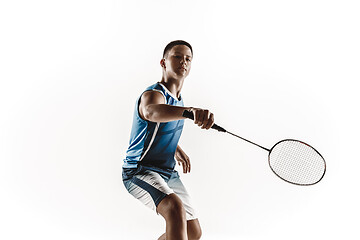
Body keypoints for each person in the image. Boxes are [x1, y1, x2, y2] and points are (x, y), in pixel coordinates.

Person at [122, 40, 215, 240]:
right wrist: (189, 112)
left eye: (188, 59)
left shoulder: (178, 100)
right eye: (177, 57)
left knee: (193, 232)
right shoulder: (153, 94)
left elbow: (156, 129)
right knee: (174, 209)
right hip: (139, 171)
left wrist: (174, 148)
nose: (184, 62)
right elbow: (152, 112)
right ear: (163, 63)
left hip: (167, 172)